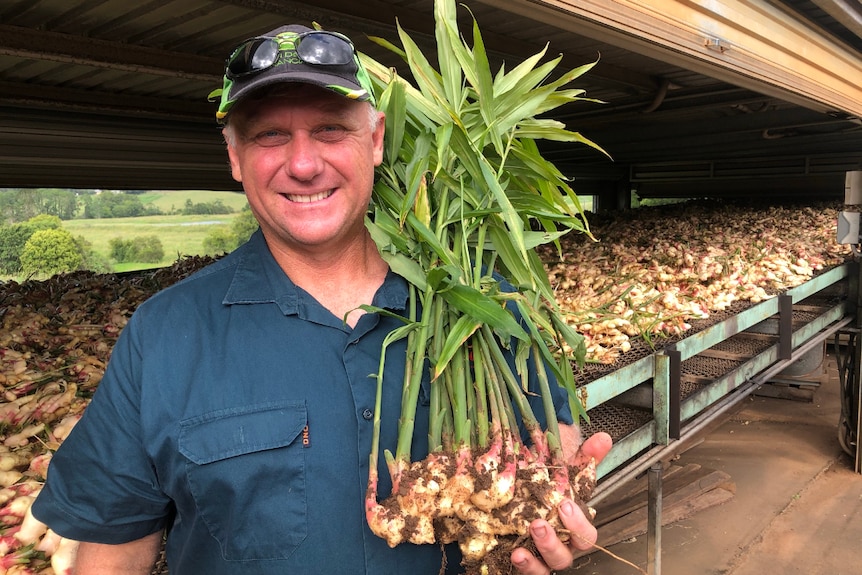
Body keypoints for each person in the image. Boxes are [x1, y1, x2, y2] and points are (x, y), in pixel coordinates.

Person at [32, 24, 612, 575]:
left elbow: (553, 453)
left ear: (377, 139)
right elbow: (113, 543)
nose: (304, 164)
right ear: (234, 157)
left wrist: (557, 520)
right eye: (269, 135)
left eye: (331, 129)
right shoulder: (164, 335)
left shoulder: (487, 304)